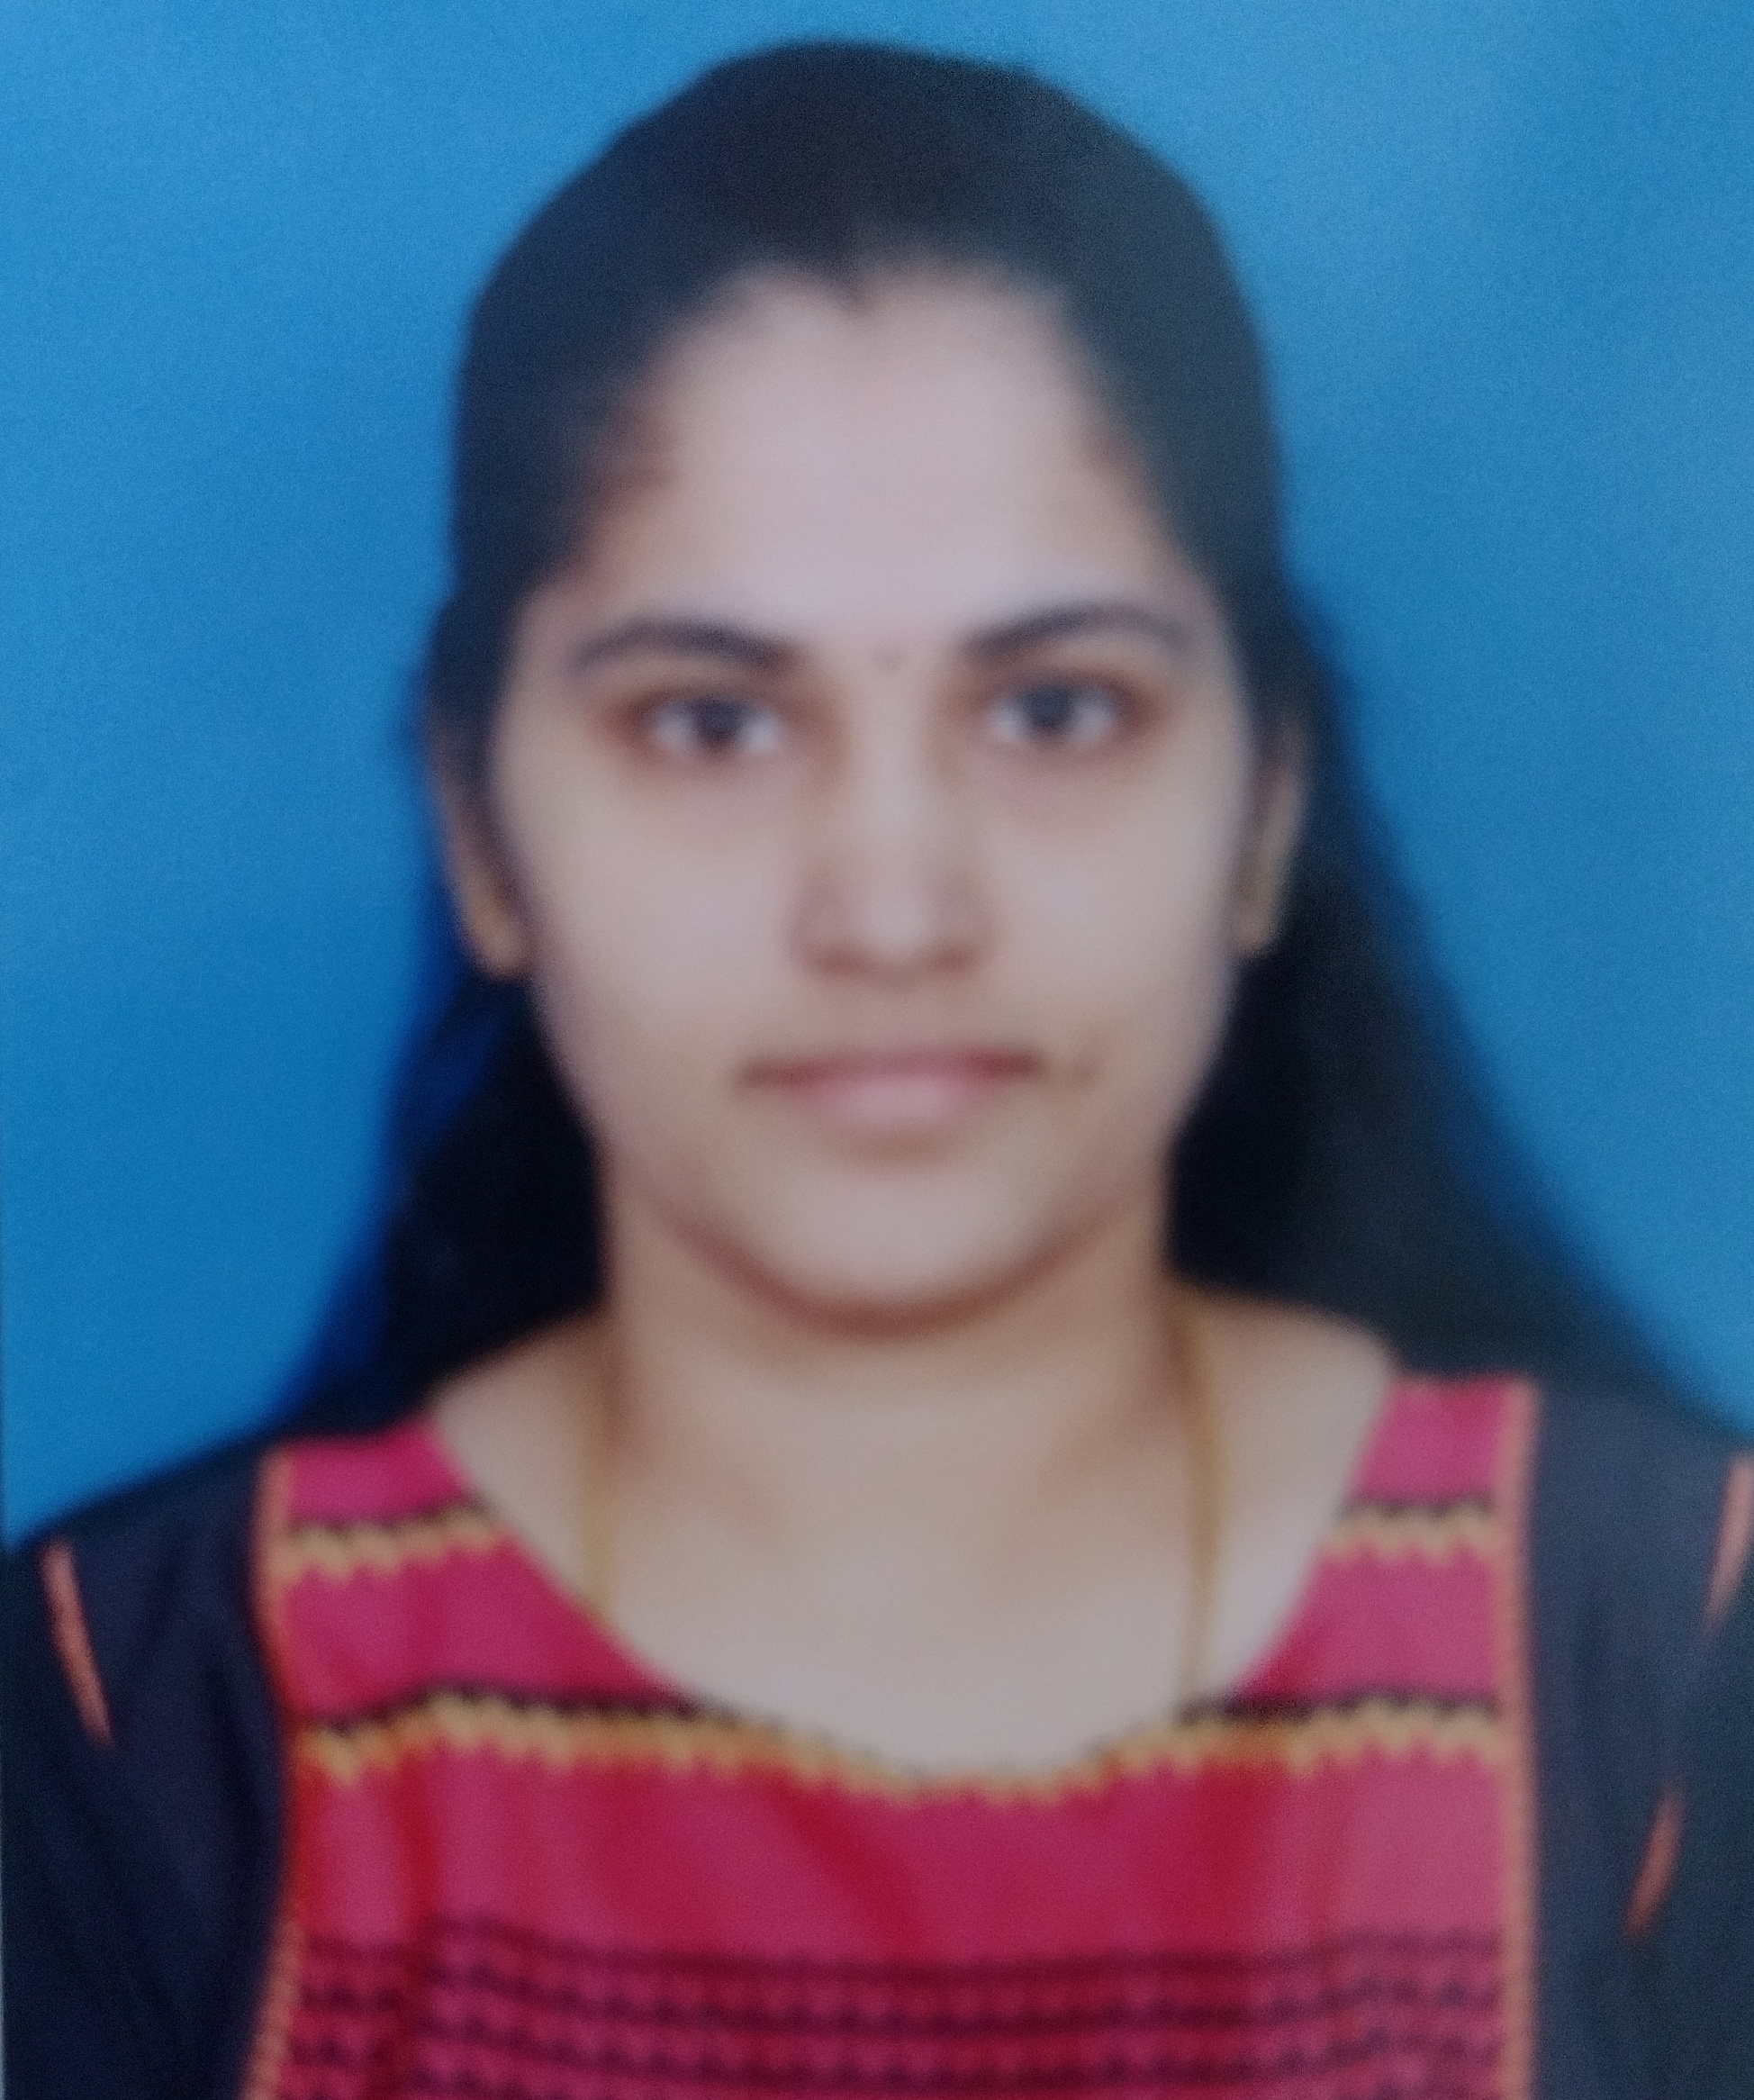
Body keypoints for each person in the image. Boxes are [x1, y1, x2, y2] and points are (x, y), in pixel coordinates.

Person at [5, 41, 1750, 2100]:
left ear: (1266, 801)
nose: (894, 907)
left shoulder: (1661, 1659)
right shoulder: (135, 1722)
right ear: (476, 825)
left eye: (1054, 710)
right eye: (712, 723)